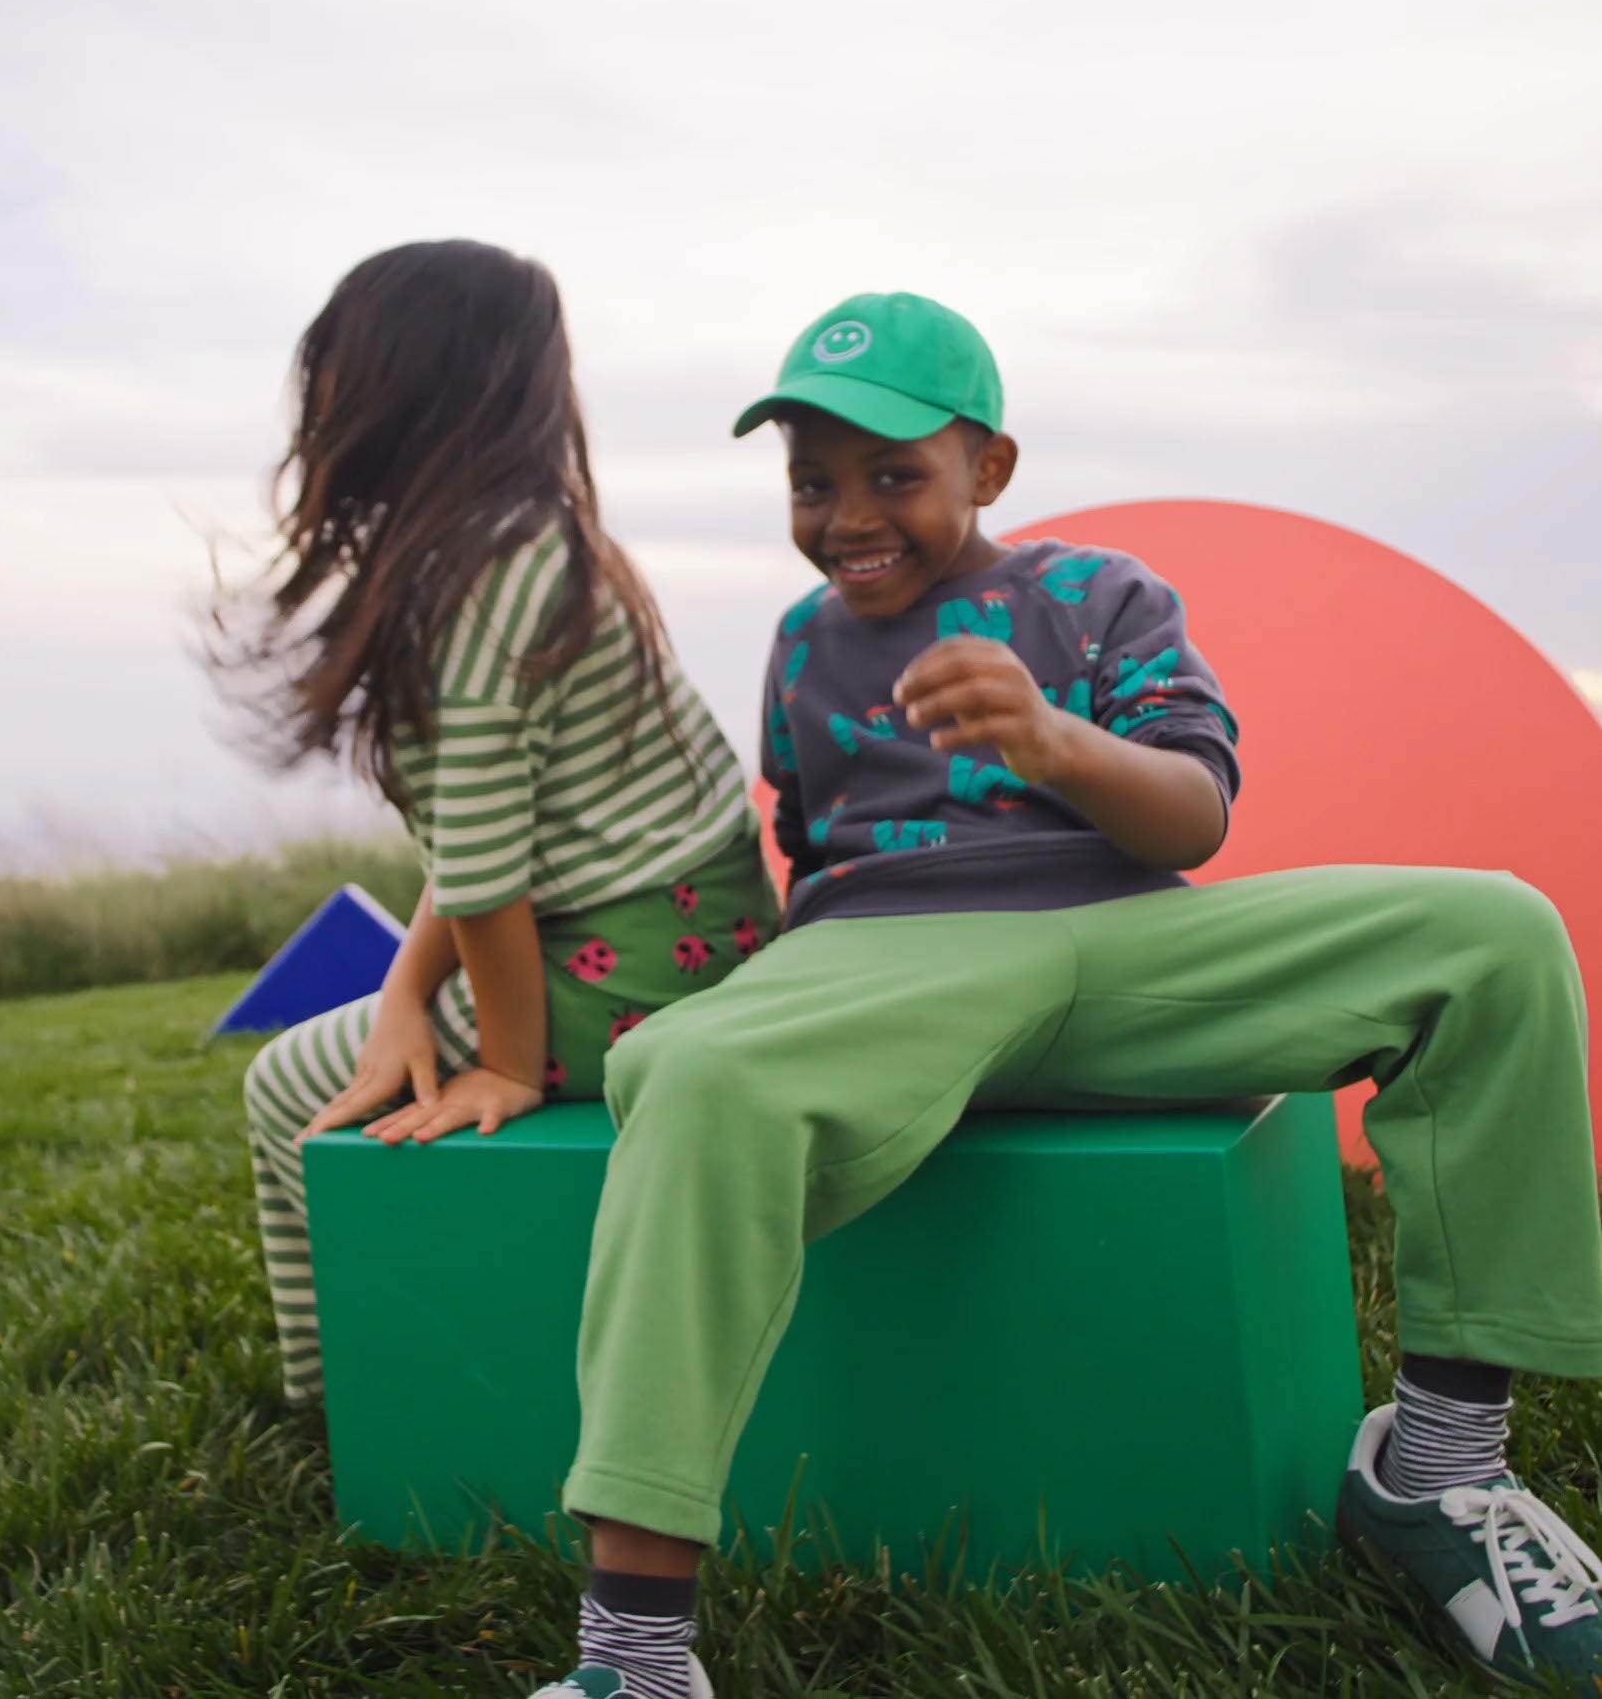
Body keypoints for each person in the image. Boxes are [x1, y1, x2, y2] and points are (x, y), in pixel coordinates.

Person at [530, 291, 1602, 1699]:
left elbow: (1193, 816)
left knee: (1493, 935)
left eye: (894, 474)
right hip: (889, 962)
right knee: (693, 1070)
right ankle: (634, 1657)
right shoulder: (800, 643)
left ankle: (1437, 1476)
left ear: (992, 470)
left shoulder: (1100, 595)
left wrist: (1050, 740)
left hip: (1127, 944)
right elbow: (806, 854)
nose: (849, 513)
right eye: (812, 480)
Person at [232, 242, 776, 1405]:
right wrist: (399, 996)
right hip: (699, 924)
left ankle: (336, 1394)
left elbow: (485, 879)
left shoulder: (466, 578)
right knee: (372, 1054)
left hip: (624, 964)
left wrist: (510, 1067)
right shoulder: (532, 543)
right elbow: (478, 843)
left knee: (285, 1083)